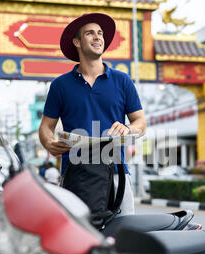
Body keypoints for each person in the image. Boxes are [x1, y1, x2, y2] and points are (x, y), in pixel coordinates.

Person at [38, 13, 146, 216]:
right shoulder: (60, 85)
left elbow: (140, 122)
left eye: (100, 33)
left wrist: (128, 128)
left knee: (122, 238)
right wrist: (49, 143)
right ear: (77, 42)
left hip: (117, 174)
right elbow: (45, 127)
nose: (98, 37)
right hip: (75, 175)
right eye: (90, 33)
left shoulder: (122, 81)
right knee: (78, 239)